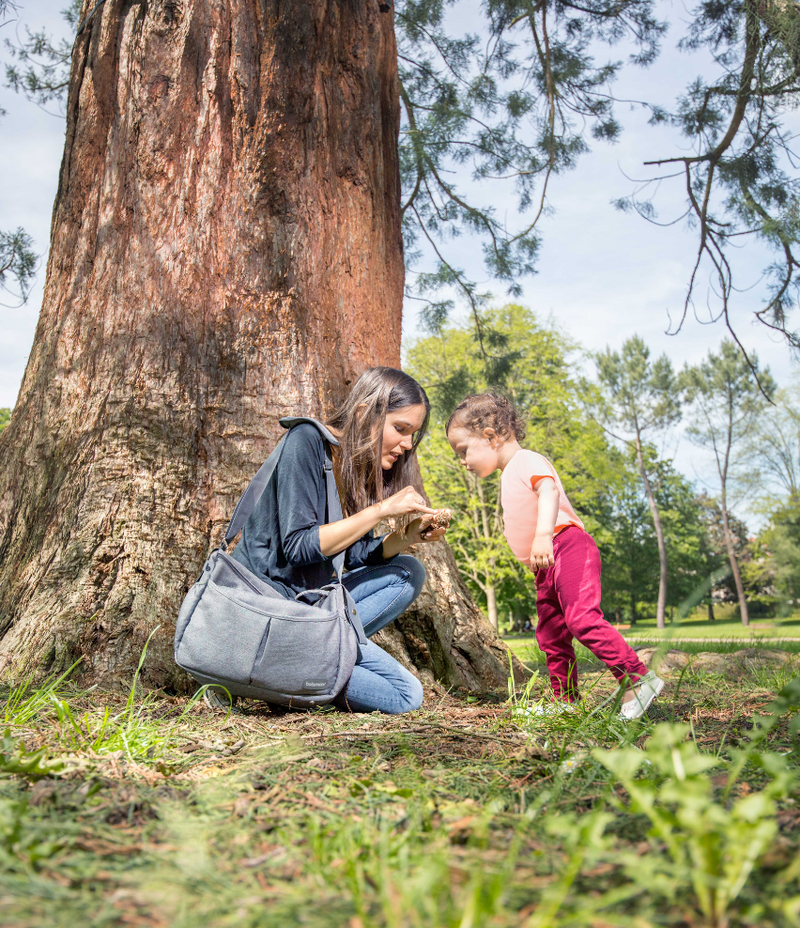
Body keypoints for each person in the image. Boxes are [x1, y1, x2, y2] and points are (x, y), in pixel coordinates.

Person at [231, 367, 447, 714]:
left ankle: (301, 664)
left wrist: (404, 537)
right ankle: (280, 668)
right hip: (271, 610)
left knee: (407, 571)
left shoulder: (355, 468)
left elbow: (353, 554)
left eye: (413, 434)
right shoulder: (306, 441)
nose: (407, 444)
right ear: (364, 413)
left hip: (310, 608)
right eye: (400, 429)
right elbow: (299, 547)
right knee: (405, 695)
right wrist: (379, 510)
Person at [445, 393, 664, 720]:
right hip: (545, 566)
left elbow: (548, 490)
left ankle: (637, 678)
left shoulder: (526, 460)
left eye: (463, 451)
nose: (462, 461)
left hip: (567, 545)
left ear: (490, 437)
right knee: (551, 634)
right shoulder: (509, 473)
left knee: (582, 619)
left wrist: (544, 535)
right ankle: (567, 701)